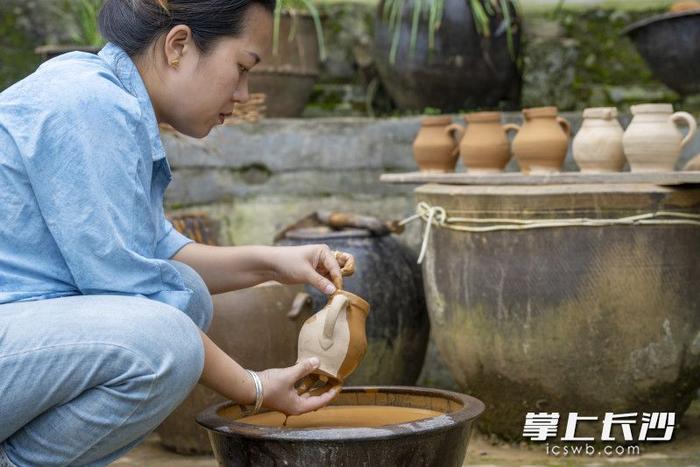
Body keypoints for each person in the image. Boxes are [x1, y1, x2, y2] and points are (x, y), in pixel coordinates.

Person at [0, 0, 347, 465]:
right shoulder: (89, 102)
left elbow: (158, 255)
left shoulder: (109, 98)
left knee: (186, 296)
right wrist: (256, 388)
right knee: (167, 341)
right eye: (242, 68)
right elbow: (133, 288)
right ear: (179, 45)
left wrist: (277, 262)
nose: (243, 94)